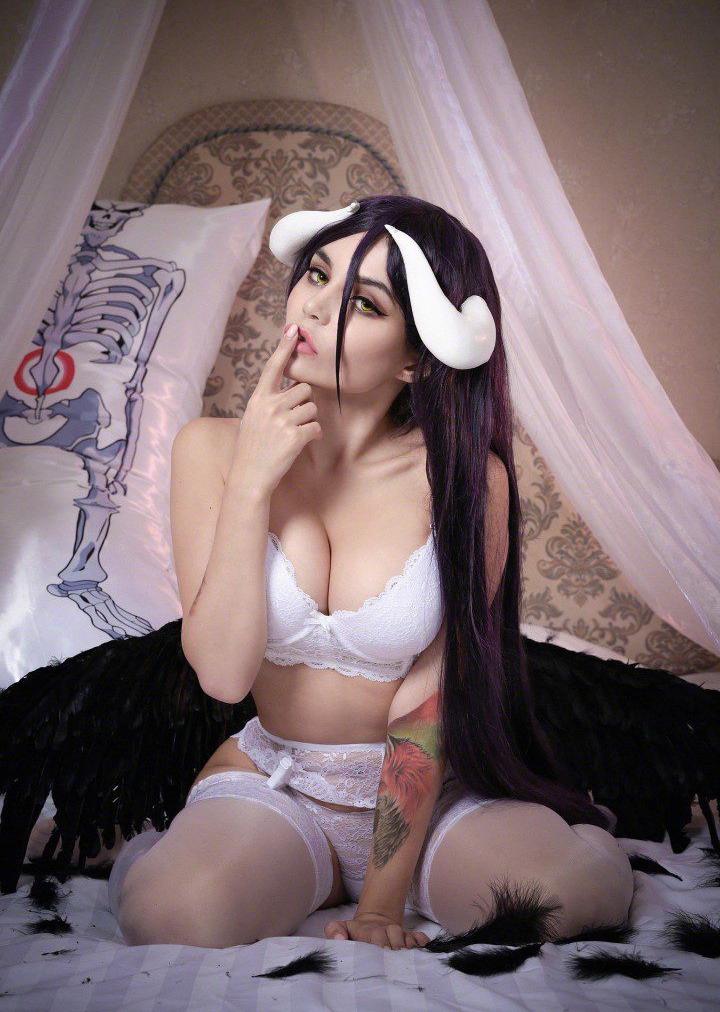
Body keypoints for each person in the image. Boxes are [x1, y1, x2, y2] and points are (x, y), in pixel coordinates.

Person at [25, 194, 637, 950]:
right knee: (170, 916)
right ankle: (209, 855)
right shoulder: (211, 449)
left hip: (427, 799)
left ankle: (578, 826)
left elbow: (430, 694)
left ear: (415, 358)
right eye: (316, 273)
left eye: (363, 302)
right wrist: (252, 481)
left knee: (572, 900)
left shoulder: (467, 482)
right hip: (278, 782)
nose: (314, 306)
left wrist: (381, 904)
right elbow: (222, 675)